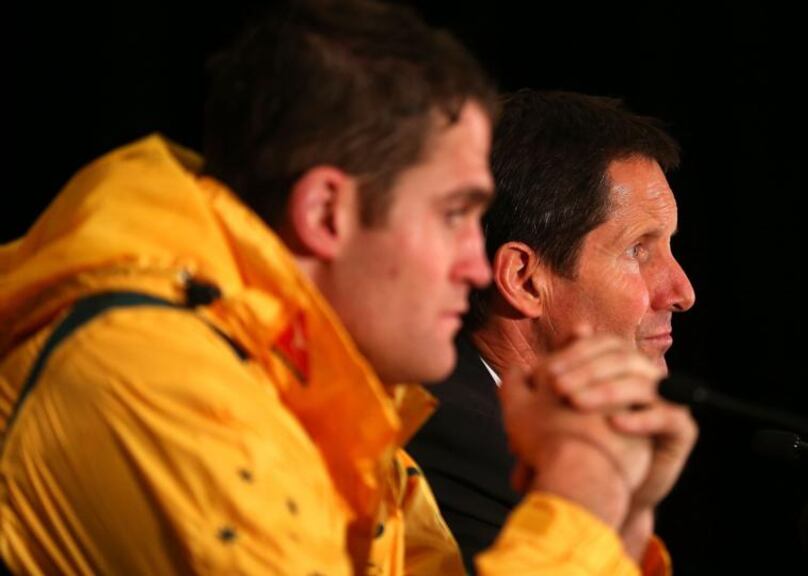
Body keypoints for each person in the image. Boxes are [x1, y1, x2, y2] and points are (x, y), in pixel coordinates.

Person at [1, 3, 688, 575]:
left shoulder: (332, 404)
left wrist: (619, 519)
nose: (476, 267)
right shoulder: (149, 372)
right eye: (453, 215)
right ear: (327, 213)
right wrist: (576, 503)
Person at [407, 89, 699, 572]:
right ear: (525, 280)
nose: (683, 292)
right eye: (638, 250)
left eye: (668, 247)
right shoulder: (450, 439)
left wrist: (632, 516)